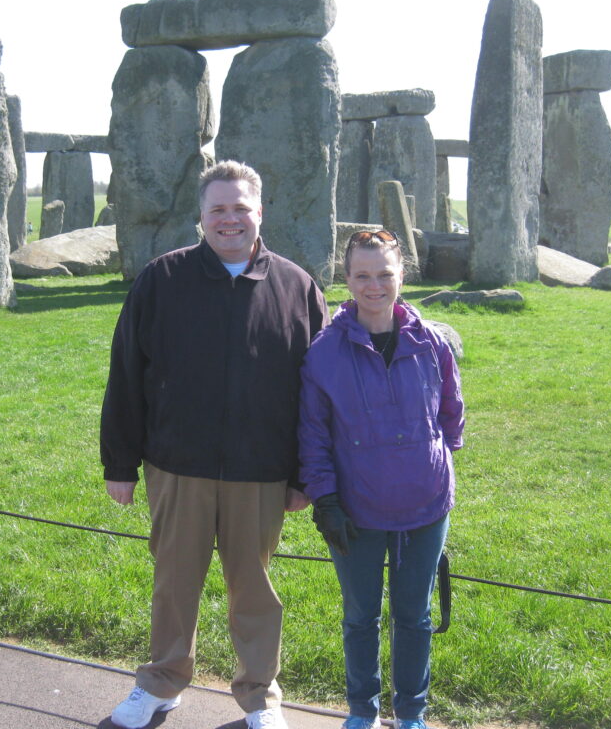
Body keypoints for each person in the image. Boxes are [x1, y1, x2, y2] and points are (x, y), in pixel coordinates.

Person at [100, 160, 328, 729]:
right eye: (218, 209)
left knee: (254, 590)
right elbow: (126, 373)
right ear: (200, 217)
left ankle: (259, 695)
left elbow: (318, 394)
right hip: (179, 465)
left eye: (241, 208)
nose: (230, 219)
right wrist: (119, 462)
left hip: (262, 470)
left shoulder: (297, 287)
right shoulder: (161, 279)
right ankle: (161, 682)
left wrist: (306, 474)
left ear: (260, 213)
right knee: (174, 582)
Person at [298, 229, 465, 729]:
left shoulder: (432, 342)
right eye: (363, 275)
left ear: (402, 276)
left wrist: (432, 461)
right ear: (345, 279)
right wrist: (325, 500)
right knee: (360, 618)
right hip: (357, 507)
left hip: (426, 504)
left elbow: (451, 414)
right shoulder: (323, 354)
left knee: (413, 618)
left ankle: (411, 713)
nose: (375, 286)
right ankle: (361, 711)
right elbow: (313, 436)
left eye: (385, 274)